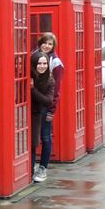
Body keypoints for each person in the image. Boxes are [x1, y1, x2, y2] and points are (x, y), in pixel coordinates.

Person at [34, 32, 63, 181]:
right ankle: (31, 166)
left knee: (45, 137)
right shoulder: (34, 56)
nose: (46, 45)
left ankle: (43, 168)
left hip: (46, 105)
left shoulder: (56, 63)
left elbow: (56, 90)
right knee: (32, 137)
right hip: (32, 105)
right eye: (44, 42)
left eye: (50, 44)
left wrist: (52, 110)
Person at [30, 51, 54, 183]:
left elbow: (48, 100)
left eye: (45, 63)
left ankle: (43, 167)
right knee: (31, 142)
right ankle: (31, 169)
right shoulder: (28, 76)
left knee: (45, 138)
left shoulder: (49, 80)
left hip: (43, 113)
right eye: (39, 63)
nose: (42, 66)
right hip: (29, 112)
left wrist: (33, 89)